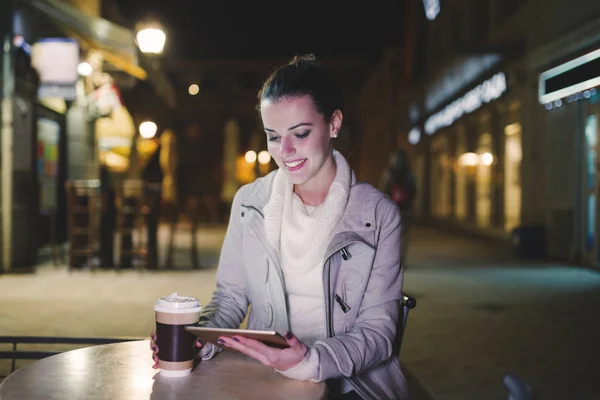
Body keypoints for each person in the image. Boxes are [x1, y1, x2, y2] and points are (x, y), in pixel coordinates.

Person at [151, 54, 409, 399]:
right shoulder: (249, 202)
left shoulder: (378, 215)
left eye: (300, 133)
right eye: (273, 136)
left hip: (353, 387)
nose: (285, 151)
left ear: (334, 124)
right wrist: (201, 339)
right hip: (265, 379)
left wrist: (310, 361)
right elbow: (229, 299)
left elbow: (378, 334)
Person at [382, 148, 417, 266]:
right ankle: (401, 260)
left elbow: (384, 189)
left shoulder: (389, 173)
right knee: (404, 234)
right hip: (405, 208)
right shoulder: (409, 173)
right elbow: (414, 190)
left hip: (392, 208)